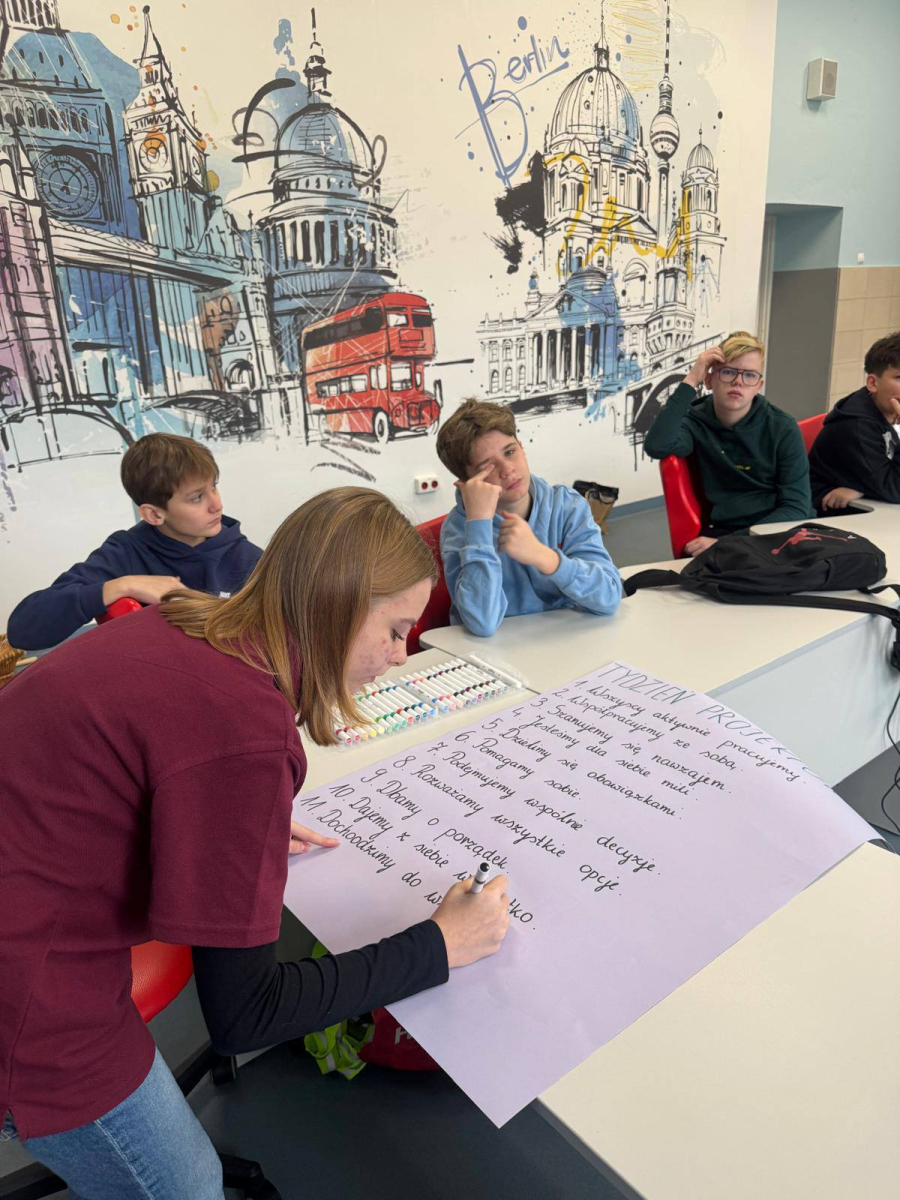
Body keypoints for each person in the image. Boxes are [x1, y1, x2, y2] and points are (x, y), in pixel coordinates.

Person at [0, 487, 510, 1199]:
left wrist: (228, 820)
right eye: (396, 631)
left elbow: (147, 758)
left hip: (26, 874)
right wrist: (440, 946)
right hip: (26, 990)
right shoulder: (244, 731)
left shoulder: (191, 618)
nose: (401, 656)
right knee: (186, 1186)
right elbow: (248, 1015)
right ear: (335, 608)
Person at [7, 432, 262, 650]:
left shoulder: (252, 560)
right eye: (196, 497)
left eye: (214, 486)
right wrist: (125, 585)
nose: (217, 504)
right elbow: (22, 630)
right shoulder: (123, 553)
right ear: (154, 515)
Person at [435, 398, 622, 637]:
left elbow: (609, 597)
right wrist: (479, 525)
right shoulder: (459, 528)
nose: (507, 470)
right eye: (487, 467)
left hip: (566, 639)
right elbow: (482, 623)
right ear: (468, 483)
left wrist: (546, 558)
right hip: (501, 649)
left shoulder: (567, 506)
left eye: (510, 452)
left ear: (521, 448)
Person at [643, 331, 815, 556]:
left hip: (776, 532)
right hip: (722, 532)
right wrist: (691, 380)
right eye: (728, 372)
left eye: (749, 375)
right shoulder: (695, 421)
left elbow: (796, 508)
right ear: (709, 380)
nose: (738, 382)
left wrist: (729, 542)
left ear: (759, 385)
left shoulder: (782, 427)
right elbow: (657, 446)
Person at [808, 332, 900, 510]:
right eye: (899, 377)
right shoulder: (856, 426)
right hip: (831, 513)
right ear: (873, 383)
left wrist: (863, 488)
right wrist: (869, 489)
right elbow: (895, 489)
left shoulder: (886, 410)